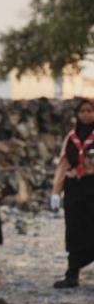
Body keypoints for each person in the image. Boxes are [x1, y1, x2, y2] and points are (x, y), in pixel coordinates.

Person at [50, 98, 94, 288]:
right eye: (82, 111)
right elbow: (63, 164)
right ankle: (72, 274)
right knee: (74, 230)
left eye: (90, 111)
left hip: (93, 187)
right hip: (74, 189)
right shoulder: (71, 137)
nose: (86, 115)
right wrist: (56, 192)